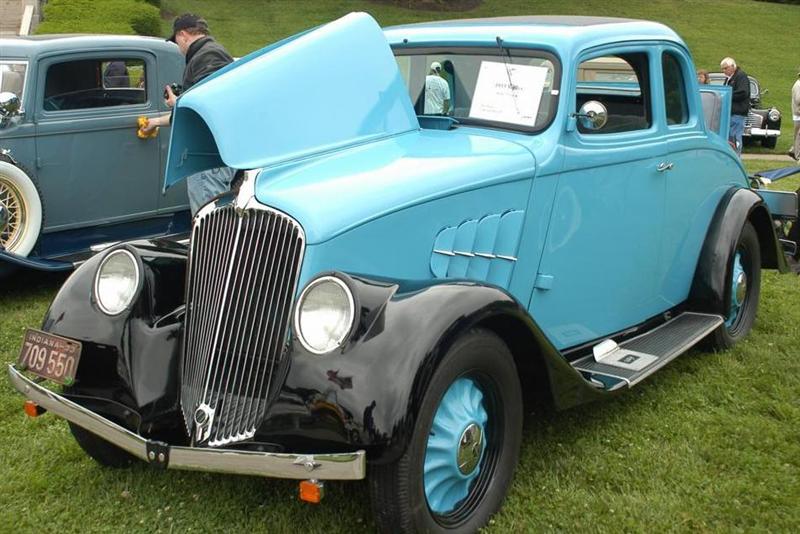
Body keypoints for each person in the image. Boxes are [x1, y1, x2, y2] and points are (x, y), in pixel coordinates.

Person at [139, 13, 235, 215]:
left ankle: (211, 247)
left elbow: (210, 106)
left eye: (176, 41)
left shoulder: (208, 56)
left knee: (211, 220)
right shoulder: (210, 53)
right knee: (213, 217)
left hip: (207, 155)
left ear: (182, 34)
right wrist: (156, 121)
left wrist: (178, 102)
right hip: (211, 153)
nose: (178, 48)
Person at [720, 57, 750, 155]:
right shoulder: (729, 79)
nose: (723, 71)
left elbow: (743, 93)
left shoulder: (741, 76)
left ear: (733, 66)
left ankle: (736, 156)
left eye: (725, 68)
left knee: (735, 137)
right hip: (730, 113)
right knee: (730, 137)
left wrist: (727, 95)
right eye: (722, 69)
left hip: (738, 113)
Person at [790, 68, 800, 161]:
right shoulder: (798, 85)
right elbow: (798, 100)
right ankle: (797, 155)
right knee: (798, 136)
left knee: (797, 135)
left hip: (797, 114)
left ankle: (794, 151)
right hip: (798, 115)